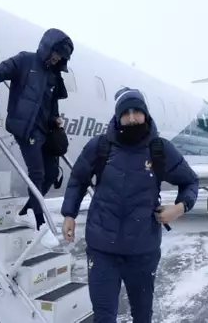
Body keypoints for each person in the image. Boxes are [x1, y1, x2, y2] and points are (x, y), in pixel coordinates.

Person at [59, 88, 199, 323]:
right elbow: (78, 180)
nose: (132, 118)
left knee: (142, 316)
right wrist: (69, 214)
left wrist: (179, 207)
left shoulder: (160, 149)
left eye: (137, 112)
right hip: (102, 249)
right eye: (126, 113)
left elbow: (190, 181)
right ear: (117, 116)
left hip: (143, 252)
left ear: (146, 115)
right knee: (104, 317)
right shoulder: (100, 146)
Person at [0, 28, 75, 248]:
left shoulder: (54, 75)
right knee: (36, 173)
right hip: (25, 129)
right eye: (55, 53)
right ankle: (38, 222)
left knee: (50, 174)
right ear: (47, 46)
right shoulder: (25, 61)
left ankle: (27, 209)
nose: (57, 58)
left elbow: (52, 103)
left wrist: (56, 119)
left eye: (61, 57)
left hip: (45, 131)